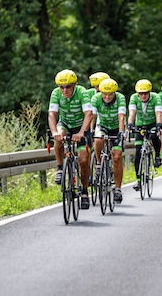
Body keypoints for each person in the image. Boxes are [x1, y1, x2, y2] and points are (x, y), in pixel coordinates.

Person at [48, 69, 93, 209]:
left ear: (74, 85)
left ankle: (85, 192)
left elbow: (89, 114)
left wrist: (81, 132)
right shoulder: (56, 93)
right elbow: (52, 115)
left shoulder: (82, 92)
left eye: (68, 86)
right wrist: (55, 131)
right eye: (61, 87)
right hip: (65, 124)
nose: (64, 90)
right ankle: (60, 167)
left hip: (80, 126)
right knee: (58, 137)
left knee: (84, 160)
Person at [91, 78, 127, 203]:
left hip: (117, 128)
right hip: (103, 126)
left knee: (117, 157)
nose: (107, 97)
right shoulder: (95, 99)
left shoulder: (121, 98)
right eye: (104, 94)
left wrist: (121, 133)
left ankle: (117, 189)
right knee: (98, 138)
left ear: (114, 93)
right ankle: (99, 164)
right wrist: (91, 131)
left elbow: (121, 117)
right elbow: (93, 116)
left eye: (110, 94)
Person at [127, 79, 162, 191]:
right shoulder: (134, 98)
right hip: (140, 126)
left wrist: (158, 125)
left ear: (149, 92)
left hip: (152, 123)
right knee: (138, 151)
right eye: (141, 94)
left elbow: (158, 112)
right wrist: (129, 124)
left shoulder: (155, 97)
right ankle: (138, 180)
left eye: (145, 93)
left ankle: (157, 155)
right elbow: (132, 113)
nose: (143, 96)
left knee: (154, 136)